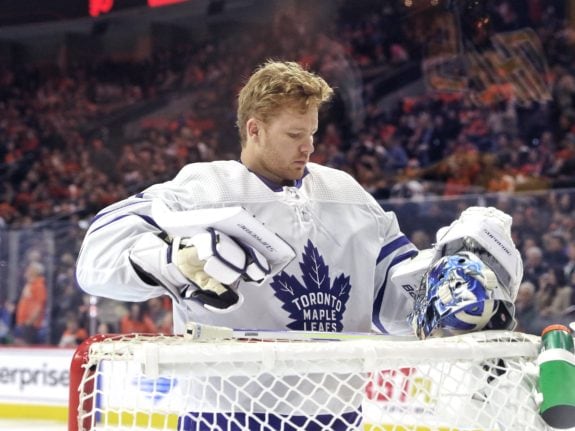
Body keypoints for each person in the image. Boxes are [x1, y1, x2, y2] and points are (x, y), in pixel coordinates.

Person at [76, 60, 523, 430]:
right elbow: (96, 259)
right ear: (254, 130)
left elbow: (395, 307)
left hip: (336, 415)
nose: (308, 146)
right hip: (224, 413)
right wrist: (171, 262)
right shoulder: (205, 186)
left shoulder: (347, 193)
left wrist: (453, 281)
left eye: (311, 133)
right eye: (294, 135)